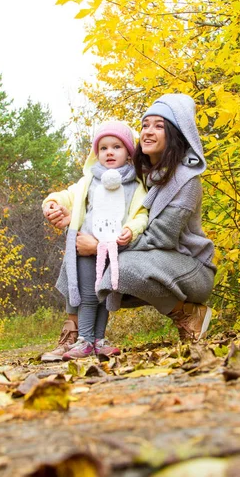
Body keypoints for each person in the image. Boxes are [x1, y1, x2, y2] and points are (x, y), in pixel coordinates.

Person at [80, 93, 216, 342]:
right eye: (145, 125)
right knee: (80, 250)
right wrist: (65, 211)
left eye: (159, 126)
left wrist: (100, 247)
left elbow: (161, 237)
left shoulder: (186, 181)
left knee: (122, 268)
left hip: (192, 269)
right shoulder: (140, 177)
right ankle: (79, 334)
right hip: (156, 262)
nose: (148, 132)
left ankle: (188, 313)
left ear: (175, 134)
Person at [41, 121, 148, 360]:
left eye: (117, 146)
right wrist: (51, 203)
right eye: (103, 148)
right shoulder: (89, 181)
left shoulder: (135, 184)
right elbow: (66, 196)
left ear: (129, 152)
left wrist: (131, 229)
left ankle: (99, 340)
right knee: (89, 296)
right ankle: (84, 339)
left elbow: (141, 214)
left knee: (104, 296)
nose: (109, 152)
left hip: (113, 249)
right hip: (85, 247)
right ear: (96, 153)